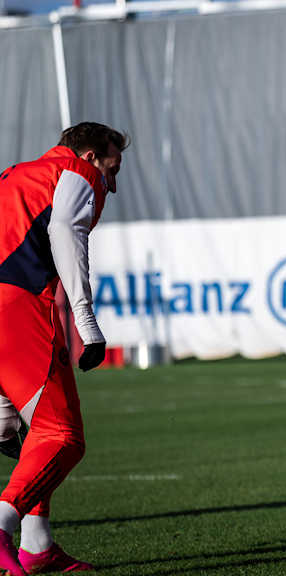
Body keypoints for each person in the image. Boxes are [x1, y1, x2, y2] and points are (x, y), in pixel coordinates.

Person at [0, 122, 129, 574]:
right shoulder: (76, 171)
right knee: (62, 437)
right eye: (111, 169)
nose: (111, 184)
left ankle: (36, 545)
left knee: (27, 436)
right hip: (13, 307)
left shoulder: (15, 173)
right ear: (91, 156)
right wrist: (86, 321)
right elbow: (65, 231)